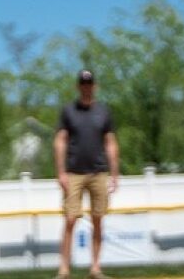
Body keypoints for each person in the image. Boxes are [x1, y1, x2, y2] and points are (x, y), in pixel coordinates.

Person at [53, 70, 119, 279]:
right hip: (73, 173)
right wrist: (61, 171)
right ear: (78, 86)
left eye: (89, 83)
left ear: (95, 86)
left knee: (98, 219)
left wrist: (115, 173)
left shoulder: (103, 112)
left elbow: (110, 143)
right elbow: (60, 140)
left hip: (99, 172)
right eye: (83, 83)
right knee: (70, 219)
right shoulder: (69, 111)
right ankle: (64, 269)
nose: (86, 87)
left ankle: (96, 268)